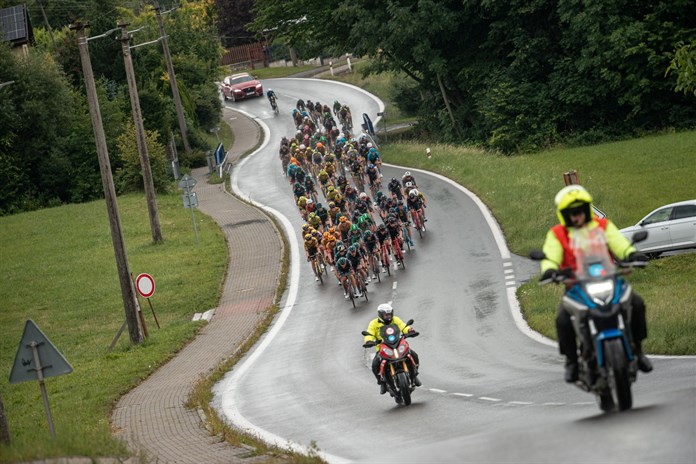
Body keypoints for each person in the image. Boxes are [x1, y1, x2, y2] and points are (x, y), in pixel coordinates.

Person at [540, 185, 652, 383]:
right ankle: (572, 361)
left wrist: (631, 254)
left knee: (636, 304)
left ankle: (639, 351)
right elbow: (551, 255)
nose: (577, 216)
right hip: (576, 287)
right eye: (571, 213)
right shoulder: (557, 234)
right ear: (564, 215)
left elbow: (619, 243)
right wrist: (550, 270)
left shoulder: (602, 226)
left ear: (587, 209)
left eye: (580, 211)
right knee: (563, 320)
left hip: (610, 280)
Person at [362, 303, 421, 394]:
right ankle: (382, 383)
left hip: (398, 344)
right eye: (386, 315)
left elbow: (403, 326)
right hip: (382, 347)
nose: (388, 316)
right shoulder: (374, 323)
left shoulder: (395, 319)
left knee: (413, 355)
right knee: (375, 364)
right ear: (380, 315)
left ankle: (415, 374)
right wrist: (369, 341)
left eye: (389, 314)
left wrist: (409, 330)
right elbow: (369, 333)